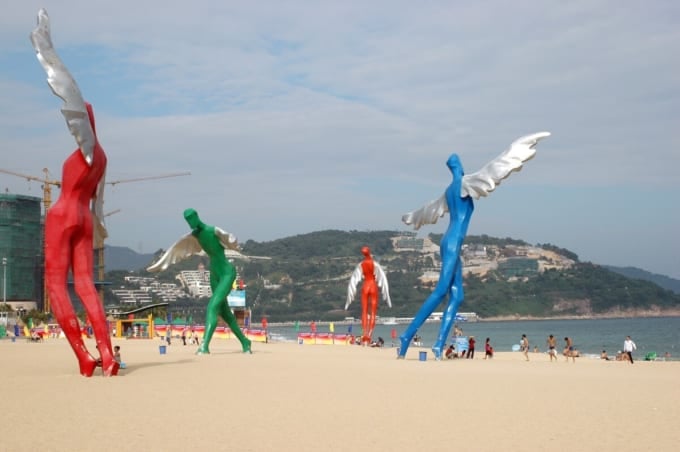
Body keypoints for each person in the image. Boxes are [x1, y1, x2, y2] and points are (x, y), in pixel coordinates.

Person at [396, 133, 549, 360]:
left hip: (450, 242)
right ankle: (407, 335)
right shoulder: (464, 183)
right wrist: (517, 149)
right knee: (441, 291)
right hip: (453, 242)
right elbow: (495, 167)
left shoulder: (448, 191)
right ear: (458, 167)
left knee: (457, 296)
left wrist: (412, 216)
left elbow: (427, 210)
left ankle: (439, 344)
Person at [31, 9, 117, 377]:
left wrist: (45, 45)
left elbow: (67, 87)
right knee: (86, 285)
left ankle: (83, 355)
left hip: (63, 214)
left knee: (55, 285)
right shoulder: (102, 159)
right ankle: (108, 355)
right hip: (84, 218)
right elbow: (99, 201)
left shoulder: (86, 151)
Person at [147, 209, 251, 355]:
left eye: (191, 218)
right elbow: (174, 249)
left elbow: (230, 239)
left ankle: (204, 346)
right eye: (187, 220)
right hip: (213, 275)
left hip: (227, 273)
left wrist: (234, 244)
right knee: (225, 312)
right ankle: (245, 342)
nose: (190, 222)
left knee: (212, 307)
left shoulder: (212, 230)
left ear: (196, 216)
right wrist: (160, 265)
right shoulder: (193, 236)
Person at [345, 246, 392, 344]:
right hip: (373, 285)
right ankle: (369, 335)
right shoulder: (375, 264)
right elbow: (383, 278)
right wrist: (387, 296)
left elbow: (353, 280)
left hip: (365, 286)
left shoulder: (361, 264)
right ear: (369, 252)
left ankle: (364, 334)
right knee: (373, 312)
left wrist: (349, 298)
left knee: (364, 311)